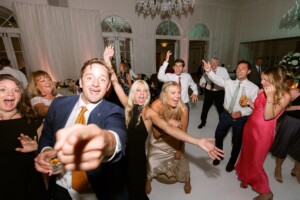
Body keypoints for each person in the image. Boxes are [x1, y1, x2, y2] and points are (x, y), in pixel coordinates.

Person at [54, 46, 224, 200]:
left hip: (136, 160)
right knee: (122, 190)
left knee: (136, 193)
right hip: (120, 157)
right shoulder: (128, 105)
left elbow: (166, 128)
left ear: (148, 94)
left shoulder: (149, 112)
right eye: (138, 90)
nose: (141, 94)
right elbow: (114, 82)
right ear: (134, 93)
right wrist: (107, 61)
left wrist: (197, 141)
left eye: (145, 91)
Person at [34, 49, 128, 200]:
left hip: (95, 192)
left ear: (108, 85)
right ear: (80, 81)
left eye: (102, 79)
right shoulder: (58, 105)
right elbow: (47, 135)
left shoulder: (114, 111)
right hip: (59, 188)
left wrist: (103, 141)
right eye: (90, 78)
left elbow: (116, 137)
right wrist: (46, 150)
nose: (96, 84)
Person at [235, 66, 291, 200]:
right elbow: (258, 109)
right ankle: (247, 178)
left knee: (256, 162)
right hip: (250, 127)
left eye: (265, 80)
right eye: (261, 79)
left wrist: (270, 96)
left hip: (263, 133)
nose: (262, 83)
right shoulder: (261, 90)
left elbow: (268, 116)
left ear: (275, 80)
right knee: (246, 155)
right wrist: (250, 103)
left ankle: (266, 192)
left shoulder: (285, 96)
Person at [202, 60, 259, 172]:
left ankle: (232, 161)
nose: (239, 70)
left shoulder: (254, 88)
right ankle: (219, 155)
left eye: (243, 68)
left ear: (249, 71)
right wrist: (209, 71)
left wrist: (242, 113)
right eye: (238, 67)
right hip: (226, 115)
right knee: (218, 136)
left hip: (241, 119)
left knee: (236, 141)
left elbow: (254, 107)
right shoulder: (229, 82)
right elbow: (216, 79)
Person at [0, 74, 45, 199]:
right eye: (3, 89)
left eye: (16, 90)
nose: (10, 94)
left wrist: (38, 147)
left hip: (29, 186)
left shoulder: (33, 122)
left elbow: (54, 156)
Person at [146, 81, 192, 194]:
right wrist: (169, 122)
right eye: (173, 93)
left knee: (182, 162)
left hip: (175, 139)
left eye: (179, 92)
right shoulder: (156, 105)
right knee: (151, 159)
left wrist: (179, 149)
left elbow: (183, 133)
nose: (177, 96)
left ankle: (187, 180)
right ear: (165, 94)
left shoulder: (183, 109)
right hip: (158, 140)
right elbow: (156, 134)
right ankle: (148, 179)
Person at [270, 86, 300, 183]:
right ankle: (278, 169)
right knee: (283, 146)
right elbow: (283, 107)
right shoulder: (294, 91)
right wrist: (298, 107)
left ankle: (296, 170)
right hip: (291, 122)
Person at [198, 57, 230, 129]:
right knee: (205, 108)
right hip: (209, 91)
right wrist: (202, 83)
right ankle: (203, 122)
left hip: (219, 92)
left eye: (215, 62)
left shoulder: (223, 70)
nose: (213, 64)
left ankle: (222, 123)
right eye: (212, 62)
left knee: (220, 109)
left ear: (218, 63)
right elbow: (203, 78)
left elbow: (227, 80)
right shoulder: (207, 69)